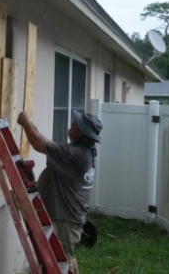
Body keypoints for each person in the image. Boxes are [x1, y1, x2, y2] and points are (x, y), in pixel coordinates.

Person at [17, 110, 102, 274]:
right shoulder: (82, 152)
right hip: (69, 217)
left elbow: (38, 143)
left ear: (84, 134)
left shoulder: (76, 154)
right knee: (66, 256)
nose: (74, 123)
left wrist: (26, 124)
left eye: (78, 124)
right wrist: (30, 124)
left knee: (61, 261)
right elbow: (43, 140)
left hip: (65, 220)